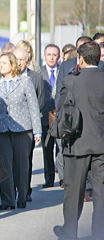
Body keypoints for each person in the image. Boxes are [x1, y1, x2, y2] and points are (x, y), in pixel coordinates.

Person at [53, 41, 104, 240]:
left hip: (77, 144)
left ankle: (70, 232)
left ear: (80, 59)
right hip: (101, 145)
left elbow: (62, 111)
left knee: (74, 193)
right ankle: (99, 232)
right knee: (101, 194)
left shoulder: (71, 81)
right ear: (99, 57)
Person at [0, 52, 41, 210]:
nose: (0, 66)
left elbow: (33, 107)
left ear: (12, 64)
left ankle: (22, 197)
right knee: (4, 166)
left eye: (4, 63)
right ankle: (7, 200)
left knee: (21, 165)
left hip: (22, 129)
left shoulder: (25, 81)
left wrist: (37, 132)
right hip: (2, 130)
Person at [13, 47, 44, 201]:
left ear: (27, 61)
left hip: (28, 127)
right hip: (9, 127)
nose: (18, 63)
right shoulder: (5, 77)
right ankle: (12, 190)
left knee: (25, 159)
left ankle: (25, 190)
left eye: (21, 60)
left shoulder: (36, 78)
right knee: (10, 161)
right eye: (16, 59)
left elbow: (40, 101)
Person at [41, 44, 60, 188]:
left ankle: (63, 178)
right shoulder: (38, 73)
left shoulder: (63, 71)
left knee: (60, 149)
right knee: (47, 149)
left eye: (54, 55)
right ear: (44, 56)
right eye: (49, 54)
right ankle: (49, 178)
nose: (51, 57)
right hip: (44, 116)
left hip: (60, 116)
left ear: (58, 56)